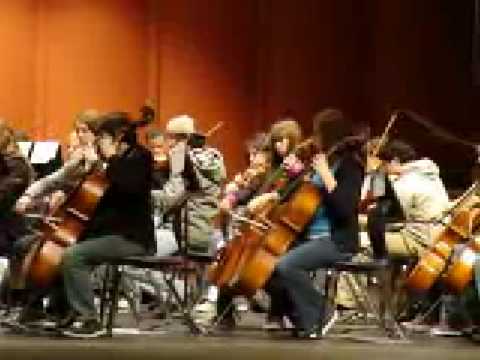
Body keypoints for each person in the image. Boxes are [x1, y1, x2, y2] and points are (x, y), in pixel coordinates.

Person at [266, 108, 364, 339]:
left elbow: (344, 209)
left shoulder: (350, 165)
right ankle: (303, 317)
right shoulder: (327, 161)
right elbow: (304, 198)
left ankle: (323, 312)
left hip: (336, 240)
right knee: (267, 270)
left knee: (287, 266)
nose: (315, 138)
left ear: (329, 135)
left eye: (318, 133)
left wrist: (326, 175)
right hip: (309, 235)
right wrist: (295, 177)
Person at [367, 140, 450, 261]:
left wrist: (377, 174)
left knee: (363, 241)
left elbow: (389, 215)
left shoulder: (408, 181)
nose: (383, 168)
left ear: (395, 161)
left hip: (420, 240)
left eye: (384, 164)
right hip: (437, 237)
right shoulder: (428, 173)